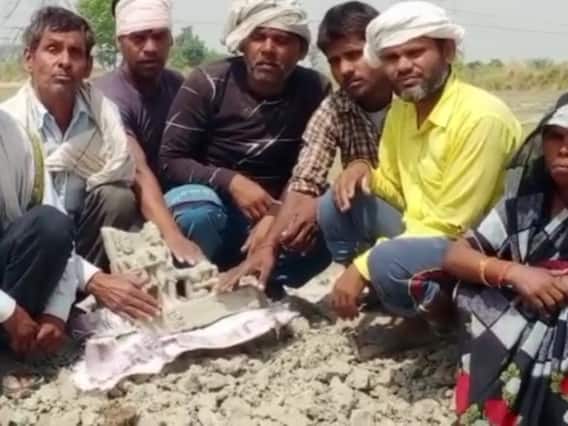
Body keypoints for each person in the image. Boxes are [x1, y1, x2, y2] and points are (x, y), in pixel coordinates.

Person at [318, 1, 522, 338]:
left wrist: (363, 265)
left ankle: (439, 322)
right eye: (391, 57)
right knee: (336, 200)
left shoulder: (481, 118)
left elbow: (454, 225)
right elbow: (395, 188)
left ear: (448, 51)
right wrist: (361, 169)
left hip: (476, 249)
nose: (403, 66)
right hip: (423, 232)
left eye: (415, 53)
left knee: (385, 261)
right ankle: (388, 292)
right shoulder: (403, 109)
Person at [1, 7, 160, 332]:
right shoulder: (12, 127)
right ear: (29, 59)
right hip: (26, 252)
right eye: (52, 49)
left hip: (75, 250)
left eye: (75, 52)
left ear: (87, 65)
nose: (64, 61)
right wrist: (96, 280)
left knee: (116, 198)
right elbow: (32, 225)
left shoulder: (104, 119)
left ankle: (71, 306)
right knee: (47, 225)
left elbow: (127, 176)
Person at [219, 1, 395, 292]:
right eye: (335, 61)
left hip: (428, 218)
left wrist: (362, 169)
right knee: (324, 206)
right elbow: (304, 181)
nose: (345, 69)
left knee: (339, 200)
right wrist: (269, 247)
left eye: (354, 55)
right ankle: (372, 282)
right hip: (376, 216)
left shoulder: (410, 99)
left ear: (379, 49)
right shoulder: (335, 109)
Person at [160, 0, 331, 298]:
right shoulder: (209, 82)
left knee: (329, 219)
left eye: (282, 40)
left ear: (302, 50)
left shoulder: (315, 89)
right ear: (242, 43)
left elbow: (311, 167)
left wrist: (275, 217)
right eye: (258, 37)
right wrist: (232, 181)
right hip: (218, 211)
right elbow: (170, 160)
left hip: (280, 207)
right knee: (195, 212)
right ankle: (201, 282)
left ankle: (262, 281)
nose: (268, 48)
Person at [444, 98, 568, 425]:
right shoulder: (524, 203)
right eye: (555, 136)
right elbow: (457, 254)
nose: (563, 149)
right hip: (526, 300)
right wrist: (515, 272)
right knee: (473, 290)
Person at [95, 0, 203, 266]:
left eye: (159, 36)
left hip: (169, 197)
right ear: (120, 42)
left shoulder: (178, 85)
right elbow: (138, 170)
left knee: (203, 207)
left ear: (171, 40)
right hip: (125, 208)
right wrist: (173, 236)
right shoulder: (107, 96)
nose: (151, 47)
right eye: (138, 38)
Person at [0, 110, 75, 357]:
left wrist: (56, 312)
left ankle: (14, 343)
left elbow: (57, 223)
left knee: (51, 225)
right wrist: (7, 310)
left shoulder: (16, 135)